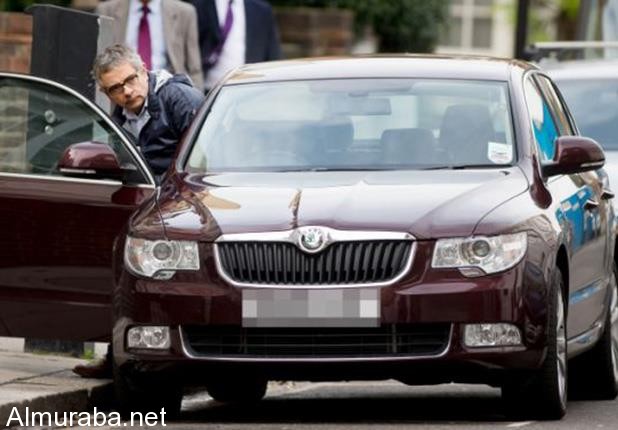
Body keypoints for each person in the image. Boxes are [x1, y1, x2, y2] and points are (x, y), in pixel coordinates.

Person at [73, 44, 205, 378]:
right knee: (123, 278)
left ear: (143, 70)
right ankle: (119, 355)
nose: (126, 92)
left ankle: (187, 358)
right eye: (115, 88)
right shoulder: (120, 115)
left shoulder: (179, 99)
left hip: (184, 210)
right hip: (147, 210)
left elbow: (207, 157)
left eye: (130, 80)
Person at [97, 0, 204, 91]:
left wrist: (198, 100)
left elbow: (194, 68)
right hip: (123, 93)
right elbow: (100, 64)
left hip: (170, 93)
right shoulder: (107, 10)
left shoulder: (184, 12)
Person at [189, 0, 281, 92]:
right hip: (207, 89)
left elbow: (273, 53)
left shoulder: (262, 9)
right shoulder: (197, 7)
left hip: (251, 88)